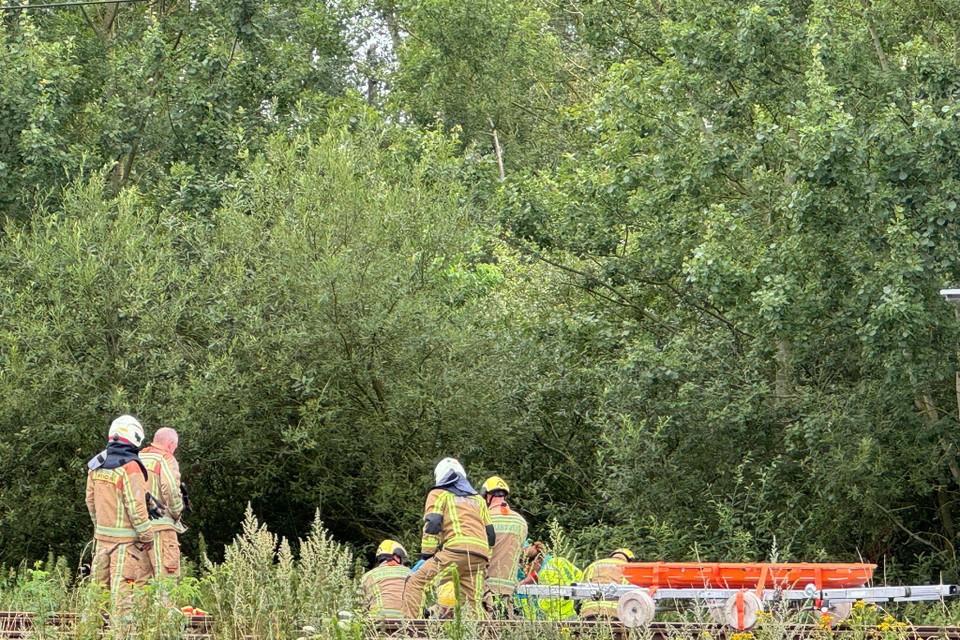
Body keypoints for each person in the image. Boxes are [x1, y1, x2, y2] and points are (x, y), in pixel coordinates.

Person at [401, 457, 495, 619]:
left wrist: (428, 554)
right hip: (479, 557)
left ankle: (410, 631)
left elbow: (433, 522)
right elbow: (491, 534)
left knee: (415, 582)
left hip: (455, 551)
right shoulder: (478, 500)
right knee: (471, 603)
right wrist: (487, 559)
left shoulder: (438, 493)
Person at [85, 415, 154, 601]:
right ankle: (122, 630)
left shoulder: (96, 464)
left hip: (102, 539)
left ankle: (91, 627)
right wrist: (147, 536)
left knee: (97, 591)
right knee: (123, 593)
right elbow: (136, 506)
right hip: (125, 542)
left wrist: (98, 526)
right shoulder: (130, 467)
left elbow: (90, 501)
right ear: (135, 436)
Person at [139, 427, 186, 579]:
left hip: (138, 528)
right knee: (166, 579)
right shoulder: (165, 459)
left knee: (140, 581)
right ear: (171, 443)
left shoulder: (137, 457)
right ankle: (165, 604)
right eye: (175, 447)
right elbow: (171, 489)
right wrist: (177, 512)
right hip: (162, 528)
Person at [480, 476, 527, 618]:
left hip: (486, 591)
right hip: (509, 590)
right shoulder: (521, 521)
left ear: (487, 496)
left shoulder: (484, 518)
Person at [518, 541, 582, 621]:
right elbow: (580, 577)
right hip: (571, 617)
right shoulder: (559, 561)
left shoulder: (547, 571)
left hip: (554, 620)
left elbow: (548, 603)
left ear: (536, 562)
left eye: (528, 569)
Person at [359, 540, 411, 619]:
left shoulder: (368, 576)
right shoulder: (412, 573)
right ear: (397, 556)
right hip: (408, 621)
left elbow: (361, 606)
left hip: (377, 622)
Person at [579, 548, 634, 621]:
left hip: (590, 611)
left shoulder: (593, 565)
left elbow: (580, 589)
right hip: (616, 613)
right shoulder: (629, 568)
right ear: (629, 560)